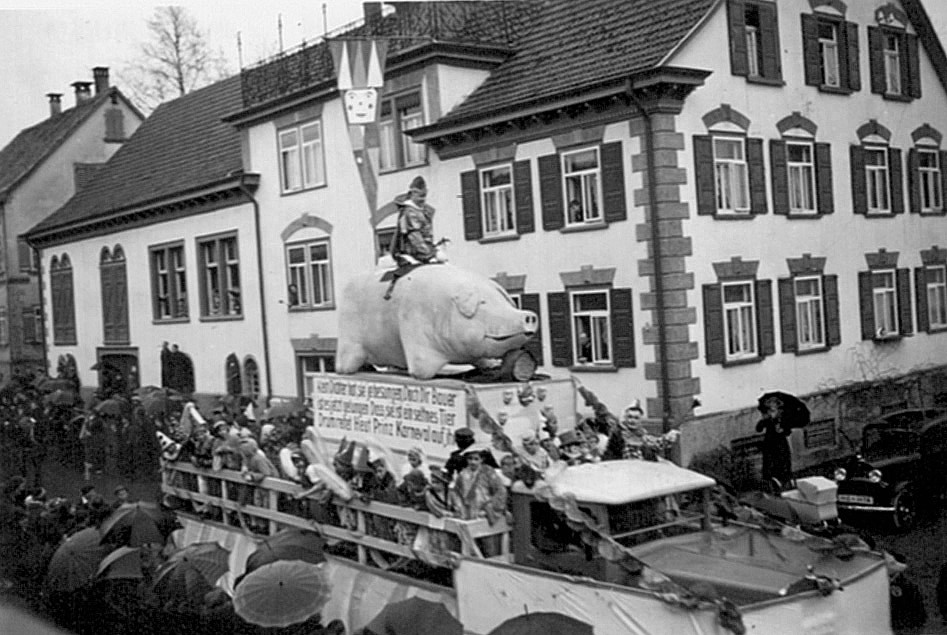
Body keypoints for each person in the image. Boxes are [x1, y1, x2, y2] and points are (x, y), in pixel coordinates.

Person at [383, 176, 446, 300]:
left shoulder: (422, 211)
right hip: (411, 251)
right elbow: (414, 237)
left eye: (424, 196)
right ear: (413, 194)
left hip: (424, 249)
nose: (423, 200)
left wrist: (434, 247)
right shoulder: (409, 212)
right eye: (420, 196)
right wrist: (428, 254)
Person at [450, 445, 508, 525]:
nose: (473, 462)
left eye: (476, 459)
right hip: (467, 512)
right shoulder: (462, 474)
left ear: (482, 460)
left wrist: (490, 509)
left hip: (485, 513)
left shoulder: (488, 472)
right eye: (470, 459)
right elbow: (456, 492)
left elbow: (501, 491)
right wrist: (459, 507)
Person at [756, 396, 793, 492]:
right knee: (769, 465)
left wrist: (782, 429)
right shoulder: (767, 420)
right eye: (771, 410)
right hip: (770, 444)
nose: (772, 412)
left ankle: (784, 483)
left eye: (774, 409)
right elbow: (758, 428)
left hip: (781, 445)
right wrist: (764, 420)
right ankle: (770, 485)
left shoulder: (783, 419)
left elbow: (788, 432)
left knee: (783, 464)